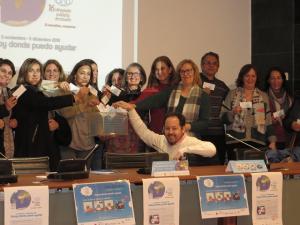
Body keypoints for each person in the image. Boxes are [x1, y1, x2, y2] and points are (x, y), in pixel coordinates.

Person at [11, 58, 88, 170]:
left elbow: (49, 103)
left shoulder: (39, 91)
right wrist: (74, 97)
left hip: (45, 145)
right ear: (24, 72)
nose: (35, 74)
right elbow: (43, 103)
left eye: (38, 71)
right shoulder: (21, 89)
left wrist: (61, 86)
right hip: (30, 148)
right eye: (31, 70)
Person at [113, 101, 216, 160]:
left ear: (183, 129)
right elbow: (143, 132)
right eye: (167, 128)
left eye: (174, 128)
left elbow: (212, 149)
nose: (170, 132)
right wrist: (131, 110)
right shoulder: (161, 140)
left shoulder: (190, 141)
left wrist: (184, 151)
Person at [136, 59, 210, 138]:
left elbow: (205, 123)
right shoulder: (171, 91)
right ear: (179, 74)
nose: (185, 74)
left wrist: (187, 126)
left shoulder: (203, 95)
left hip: (191, 141)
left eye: (188, 71)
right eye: (182, 71)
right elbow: (152, 101)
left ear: (195, 72)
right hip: (170, 139)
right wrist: (134, 106)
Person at [221, 64, 276, 160]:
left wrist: (272, 141)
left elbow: (268, 122)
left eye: (253, 76)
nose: (250, 79)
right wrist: (232, 113)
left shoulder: (263, 96)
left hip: (257, 143)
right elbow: (222, 118)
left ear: (257, 78)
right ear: (242, 77)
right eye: (247, 75)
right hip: (235, 143)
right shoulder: (232, 94)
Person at [59, 59, 102, 169]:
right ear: (74, 75)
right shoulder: (66, 90)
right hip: (69, 143)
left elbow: (95, 120)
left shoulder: (92, 93)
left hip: (88, 144)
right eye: (82, 73)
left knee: (84, 179)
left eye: (88, 74)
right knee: (70, 176)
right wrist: (85, 105)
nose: (85, 76)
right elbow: (65, 113)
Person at [104, 63, 147, 153]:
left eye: (136, 74)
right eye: (129, 73)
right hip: (116, 143)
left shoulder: (146, 95)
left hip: (137, 140)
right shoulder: (114, 95)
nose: (132, 76)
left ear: (142, 77)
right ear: (126, 77)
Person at [135, 56, 179, 134]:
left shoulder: (179, 88)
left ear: (170, 70)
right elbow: (135, 104)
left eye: (162, 68)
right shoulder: (150, 90)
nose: (159, 72)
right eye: (156, 69)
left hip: (176, 133)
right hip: (156, 134)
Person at [200, 52, 229, 164]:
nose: (211, 66)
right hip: (200, 133)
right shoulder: (195, 82)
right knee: (200, 167)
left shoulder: (222, 86)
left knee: (218, 166)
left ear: (218, 67)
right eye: (208, 63)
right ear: (202, 65)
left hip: (218, 133)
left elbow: (228, 107)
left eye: (214, 63)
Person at [265, 66, 293, 149]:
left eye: (279, 78)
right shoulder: (263, 97)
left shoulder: (290, 99)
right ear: (268, 80)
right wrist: (270, 121)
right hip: (269, 140)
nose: (276, 81)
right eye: (272, 78)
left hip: (288, 140)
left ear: (283, 80)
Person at [0, 59, 18, 158]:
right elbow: (5, 109)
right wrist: (5, 107)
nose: (6, 75)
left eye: (10, 73)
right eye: (3, 71)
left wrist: (15, 120)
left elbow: (11, 113)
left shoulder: (8, 92)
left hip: (7, 144)